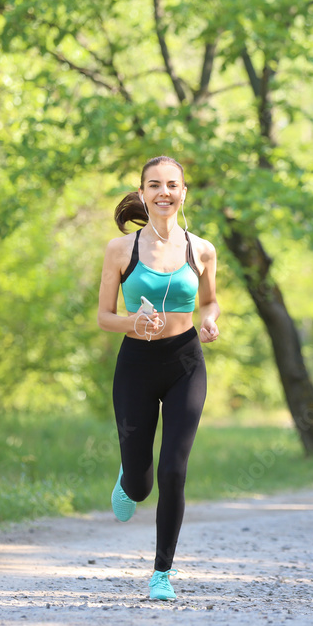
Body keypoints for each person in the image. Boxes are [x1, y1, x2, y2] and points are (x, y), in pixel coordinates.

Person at [96, 155, 220, 601]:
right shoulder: (120, 250)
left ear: (183, 192)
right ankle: (128, 478)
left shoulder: (201, 249)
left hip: (186, 363)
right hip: (136, 365)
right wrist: (132, 324)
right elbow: (104, 316)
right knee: (142, 481)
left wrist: (209, 321)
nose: (164, 192)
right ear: (143, 193)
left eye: (172, 185)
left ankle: (161, 573)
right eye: (154, 185)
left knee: (174, 470)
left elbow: (210, 301)